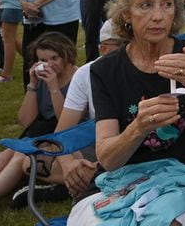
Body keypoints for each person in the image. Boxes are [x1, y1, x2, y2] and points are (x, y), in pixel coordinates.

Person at [66, 0, 185, 225]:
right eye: (145, 5)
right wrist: (138, 127)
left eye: (167, 4)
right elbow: (107, 158)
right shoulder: (105, 70)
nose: (158, 16)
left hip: (183, 178)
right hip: (121, 180)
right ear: (126, 13)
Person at [0, 32, 78, 223]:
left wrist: (53, 88)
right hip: (43, 133)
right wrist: (33, 85)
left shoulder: (78, 76)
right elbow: (25, 120)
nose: (49, 64)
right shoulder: (43, 78)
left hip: (69, 138)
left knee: (20, 154)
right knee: (7, 154)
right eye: (43, 59)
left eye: (54, 58)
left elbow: (65, 122)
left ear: (67, 55)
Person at [39, 20, 125, 204]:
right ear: (103, 49)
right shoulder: (87, 73)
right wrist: (69, 164)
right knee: (29, 163)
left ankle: (81, 184)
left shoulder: (147, 70)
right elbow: (61, 134)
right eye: (121, 44)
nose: (130, 49)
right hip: (98, 148)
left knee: (30, 161)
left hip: (128, 156)